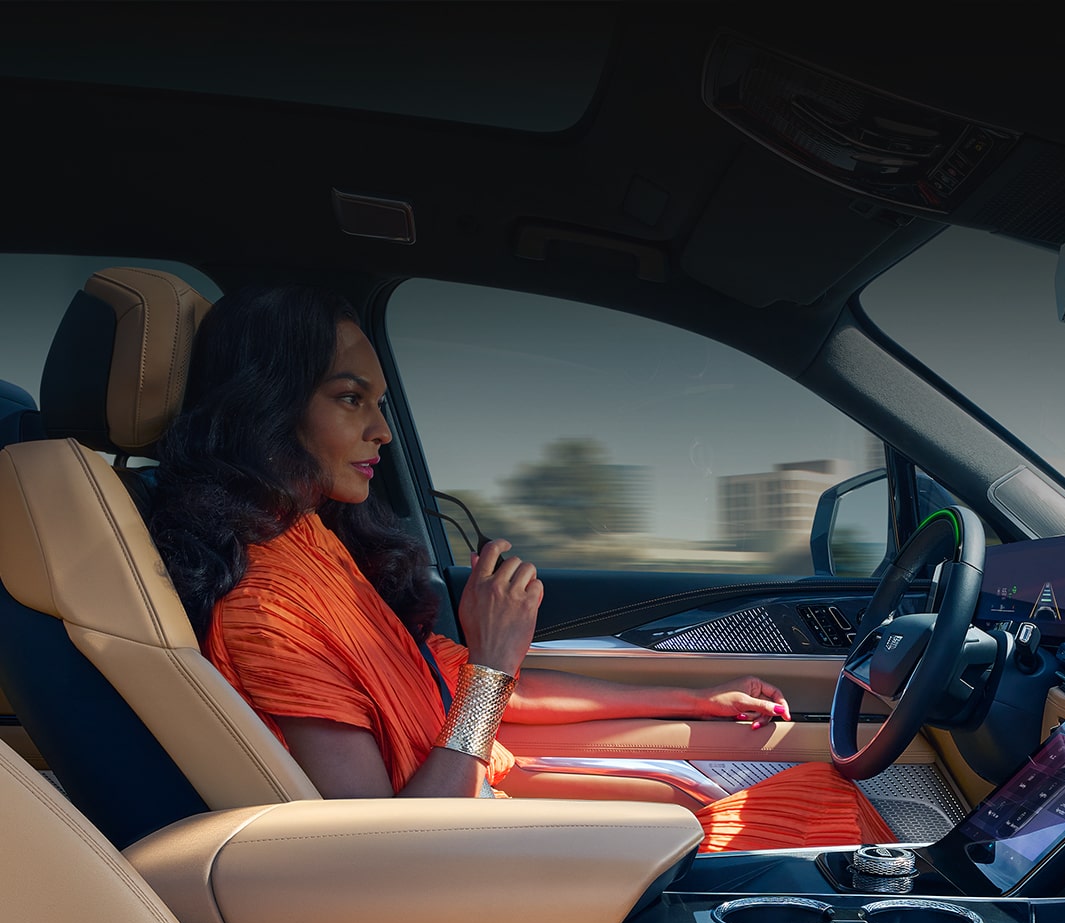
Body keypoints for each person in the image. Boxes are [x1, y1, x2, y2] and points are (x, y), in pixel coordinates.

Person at [149, 285, 893, 852]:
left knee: (778, 803)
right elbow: (381, 847)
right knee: (828, 827)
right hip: (461, 860)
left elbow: (478, 693)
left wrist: (696, 693)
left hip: (481, 816)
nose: (380, 430)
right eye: (350, 400)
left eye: (378, 402)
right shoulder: (268, 606)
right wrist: (492, 665)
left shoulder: (313, 548)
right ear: (267, 408)